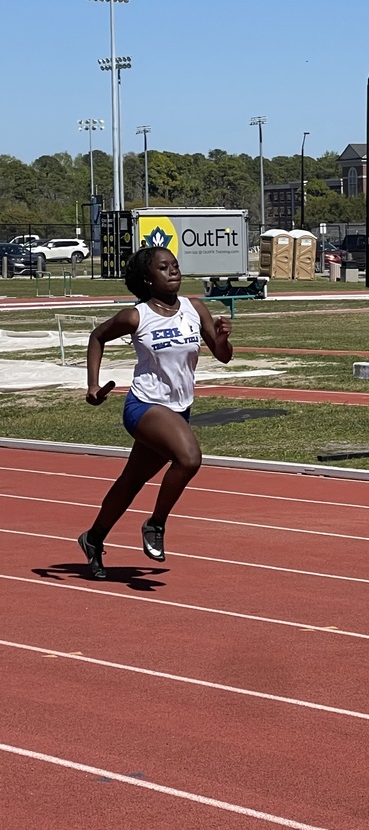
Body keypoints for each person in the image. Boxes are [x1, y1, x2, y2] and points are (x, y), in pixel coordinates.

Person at [77, 246, 233, 580]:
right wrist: (92, 386)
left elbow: (223, 356)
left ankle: (93, 539)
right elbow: (97, 336)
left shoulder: (195, 308)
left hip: (179, 410)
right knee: (189, 458)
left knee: (132, 481)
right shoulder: (137, 316)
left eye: (175, 265)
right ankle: (156, 524)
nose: (173, 271)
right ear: (148, 279)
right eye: (164, 268)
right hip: (144, 406)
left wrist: (221, 338)